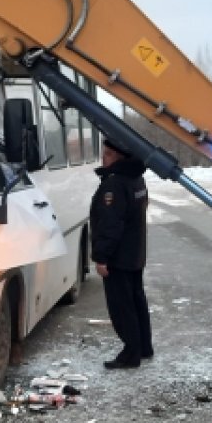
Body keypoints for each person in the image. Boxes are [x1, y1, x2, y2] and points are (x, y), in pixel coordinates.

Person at [90, 139, 153, 369]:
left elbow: (110, 224)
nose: (102, 159)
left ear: (119, 158)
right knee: (137, 302)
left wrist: (102, 257)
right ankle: (144, 347)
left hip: (118, 257)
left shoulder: (114, 185)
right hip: (135, 253)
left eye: (107, 154)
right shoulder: (137, 179)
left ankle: (130, 354)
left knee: (122, 308)